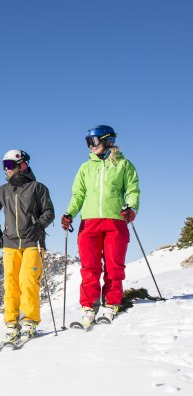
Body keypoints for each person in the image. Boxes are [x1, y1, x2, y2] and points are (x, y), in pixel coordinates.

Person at [61, 125, 140, 328]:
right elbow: (78, 195)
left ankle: (111, 303)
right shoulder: (85, 167)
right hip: (89, 223)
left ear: (108, 141)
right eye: (88, 142)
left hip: (115, 221)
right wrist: (70, 213)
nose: (90, 146)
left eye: (93, 141)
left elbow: (132, 190)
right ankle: (89, 306)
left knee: (114, 266)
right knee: (90, 267)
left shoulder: (123, 165)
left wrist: (131, 208)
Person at [0, 149, 55, 343]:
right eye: (4, 166)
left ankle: (30, 322)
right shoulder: (2, 191)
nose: (6, 169)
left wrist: (39, 225)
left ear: (22, 165)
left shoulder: (37, 188)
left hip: (33, 242)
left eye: (9, 165)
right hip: (9, 244)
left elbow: (49, 212)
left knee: (28, 281)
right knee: (11, 284)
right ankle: (11, 323)